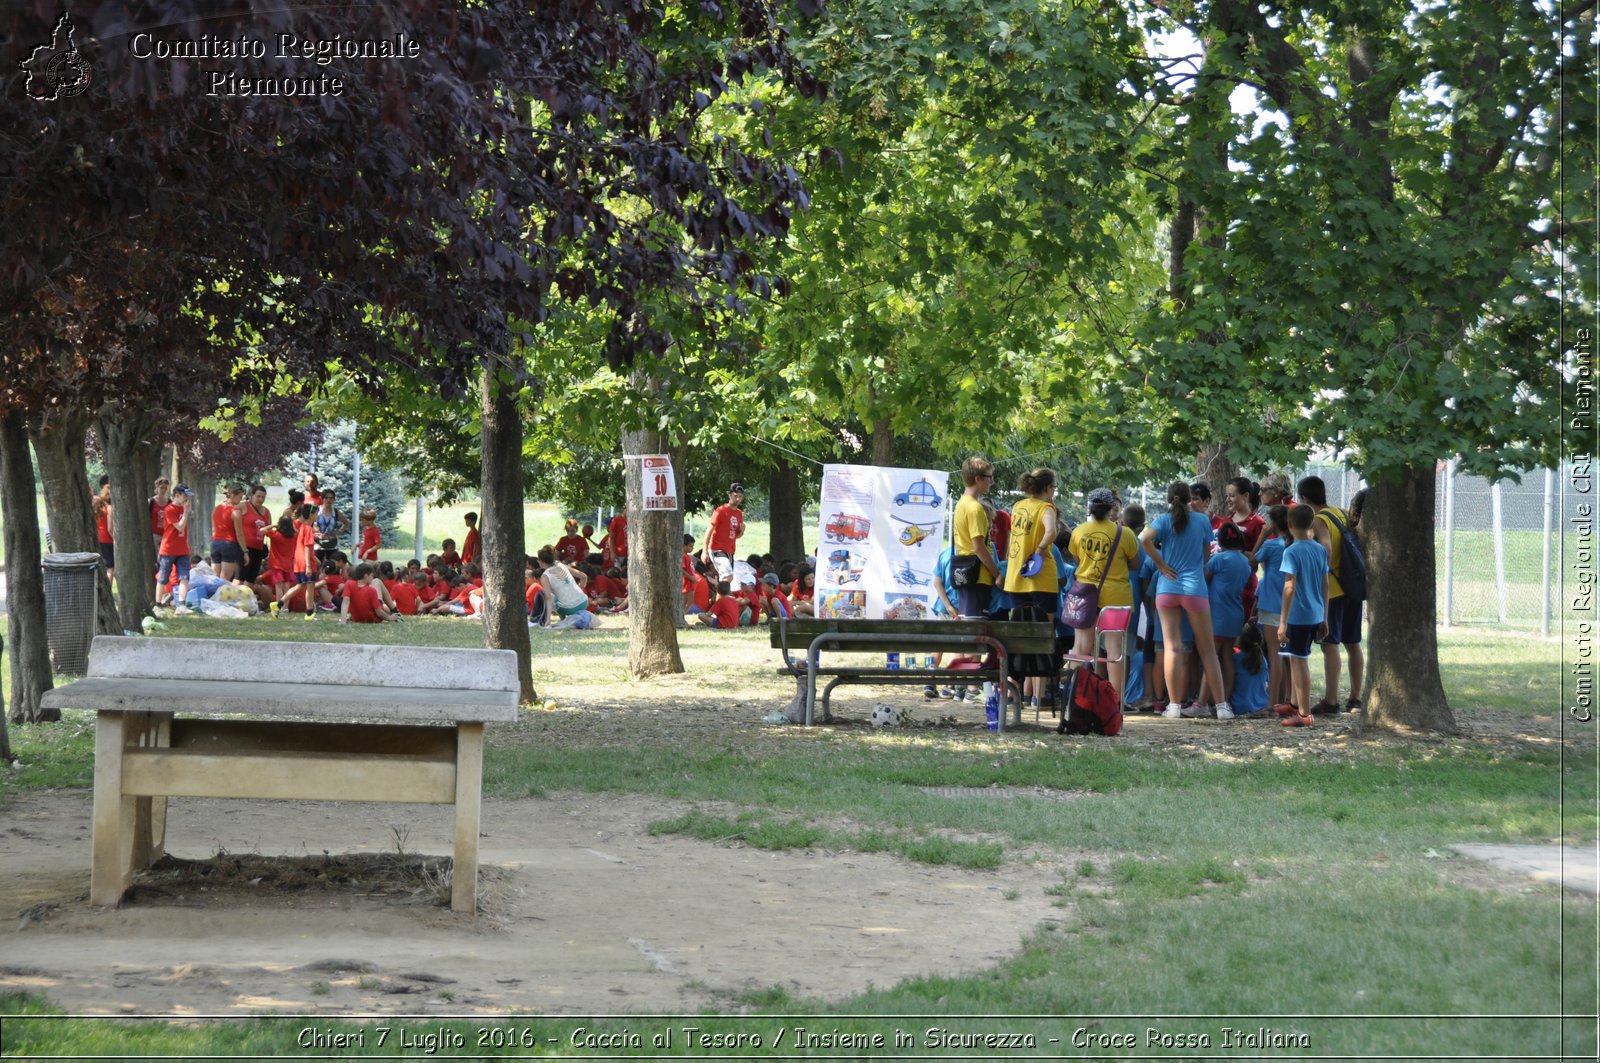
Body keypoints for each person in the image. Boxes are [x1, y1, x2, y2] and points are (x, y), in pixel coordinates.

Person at [1140, 482, 1232, 719]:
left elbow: (1144, 539)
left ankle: (1173, 706)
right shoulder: (1202, 520)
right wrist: (1198, 567)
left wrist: (1161, 565)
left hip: (1167, 589)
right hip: (1194, 589)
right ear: (1190, 498)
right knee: (1208, 650)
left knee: (1171, 648)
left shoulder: (1162, 520)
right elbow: (1205, 553)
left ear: (1169, 499)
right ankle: (1222, 706)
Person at [1067, 488, 1141, 708]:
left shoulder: (1078, 531)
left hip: (1085, 595)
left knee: (1080, 648)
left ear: (1089, 508)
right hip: (1116, 597)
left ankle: (1073, 699)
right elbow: (1135, 563)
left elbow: (1077, 558)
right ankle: (1114, 703)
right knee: (1115, 651)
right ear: (1111, 509)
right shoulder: (1124, 533)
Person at [1298, 475, 1364, 714]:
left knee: (1330, 644)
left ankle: (1332, 700)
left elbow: (1325, 548)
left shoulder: (1318, 520)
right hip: (1352, 587)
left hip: (1333, 590)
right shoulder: (1341, 512)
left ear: (1304, 498)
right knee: (1352, 642)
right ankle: (1356, 697)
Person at [1004, 468, 1062, 707]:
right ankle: (1037, 696)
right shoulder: (1046, 508)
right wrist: (1039, 550)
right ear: (1048, 489)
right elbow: (1051, 531)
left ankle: (1013, 692)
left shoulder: (1017, 506)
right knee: (1042, 638)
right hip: (1041, 578)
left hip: (1016, 576)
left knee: (1018, 637)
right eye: (1054, 488)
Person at [1277, 503, 1331, 728]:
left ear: (1289, 524)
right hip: (1315, 613)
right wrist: (1325, 616)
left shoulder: (1291, 551)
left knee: (1299, 663)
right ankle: (1294, 703)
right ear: (1311, 524)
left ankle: (1305, 714)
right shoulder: (1319, 549)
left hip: (1297, 617)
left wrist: (1282, 622)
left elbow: (1289, 586)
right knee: (1294, 657)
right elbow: (1325, 583)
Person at [1204, 522, 1253, 710]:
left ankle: (1206, 700)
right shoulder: (1244, 561)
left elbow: (1204, 576)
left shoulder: (1219, 559)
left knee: (1211, 655)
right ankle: (1226, 697)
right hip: (1236, 612)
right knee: (1227, 655)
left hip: (1218, 614)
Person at [952, 456, 1001, 619]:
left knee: (969, 624)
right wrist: (997, 575)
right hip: (978, 577)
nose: (991, 482)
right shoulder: (975, 508)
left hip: (964, 573)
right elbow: (979, 547)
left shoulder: (961, 504)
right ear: (978, 479)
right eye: (989, 477)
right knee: (976, 628)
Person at [1254, 504, 1293, 709]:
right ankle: (1288, 699)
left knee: (1274, 654)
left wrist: (1262, 535)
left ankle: (1271, 703)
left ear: (1275, 523)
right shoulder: (1293, 545)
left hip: (1271, 605)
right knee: (1289, 656)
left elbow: (1251, 561)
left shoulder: (1271, 546)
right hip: (1292, 607)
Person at [155, 485, 194, 608]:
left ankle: (182, 605)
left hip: (182, 549)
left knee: (184, 576)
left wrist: (187, 545)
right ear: (177, 495)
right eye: (184, 495)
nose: (187, 498)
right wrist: (186, 512)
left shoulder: (183, 509)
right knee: (163, 577)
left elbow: (184, 531)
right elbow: (180, 527)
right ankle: (158, 604)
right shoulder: (169, 509)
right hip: (168, 549)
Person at [702, 483, 746, 588]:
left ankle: (717, 602)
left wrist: (742, 531)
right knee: (728, 576)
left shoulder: (739, 513)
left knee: (726, 582)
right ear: (729, 495)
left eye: (740, 496)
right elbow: (709, 531)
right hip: (717, 549)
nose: (738, 499)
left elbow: (735, 536)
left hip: (730, 551)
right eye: (736, 496)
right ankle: (722, 601)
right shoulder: (720, 511)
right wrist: (704, 551)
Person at [536, 545, 590, 624]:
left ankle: (563, 619)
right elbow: (584, 576)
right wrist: (580, 588)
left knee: (550, 595)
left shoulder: (545, 576)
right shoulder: (561, 565)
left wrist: (548, 620)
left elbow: (548, 598)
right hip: (584, 602)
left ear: (541, 561)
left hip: (568, 609)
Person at [1231, 623, 1271, 718]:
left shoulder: (1235, 659)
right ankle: (1255, 711)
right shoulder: (1263, 660)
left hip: (1239, 706)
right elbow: (1266, 682)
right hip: (1262, 704)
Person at [209, 484, 248, 582]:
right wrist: (245, 551)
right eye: (240, 497)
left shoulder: (216, 509)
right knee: (224, 579)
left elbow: (213, 529)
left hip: (215, 544)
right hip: (230, 545)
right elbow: (239, 534)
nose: (240, 500)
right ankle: (220, 597)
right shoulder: (236, 512)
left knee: (214, 578)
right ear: (234, 495)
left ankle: (212, 597)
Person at [239, 484, 271, 584]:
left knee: (251, 578)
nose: (260, 499)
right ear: (252, 495)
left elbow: (270, 529)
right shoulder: (243, 506)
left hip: (258, 548)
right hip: (245, 547)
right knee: (240, 576)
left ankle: (246, 598)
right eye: (258, 496)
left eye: (263, 497)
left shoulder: (266, 512)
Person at [92, 477, 115, 586]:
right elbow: (110, 528)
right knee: (110, 568)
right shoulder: (109, 508)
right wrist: (115, 539)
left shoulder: (97, 505)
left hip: (97, 538)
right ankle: (109, 590)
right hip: (107, 540)